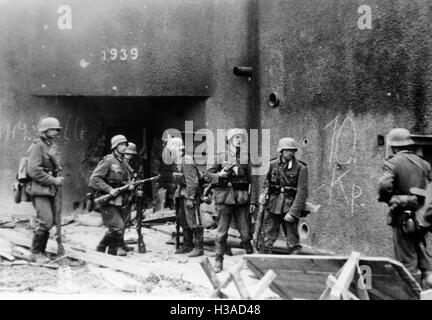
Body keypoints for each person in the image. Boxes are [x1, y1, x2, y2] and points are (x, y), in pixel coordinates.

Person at [378, 128, 432, 288]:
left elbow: (383, 186)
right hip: (422, 220)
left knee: (407, 264)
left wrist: (392, 199)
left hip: (403, 219)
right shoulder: (424, 163)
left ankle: (412, 294)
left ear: (394, 147)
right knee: (422, 259)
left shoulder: (392, 163)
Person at [204, 128, 258, 272]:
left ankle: (252, 262)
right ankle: (218, 259)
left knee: (245, 232)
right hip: (224, 198)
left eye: (240, 138)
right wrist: (220, 175)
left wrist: (253, 201)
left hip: (241, 199)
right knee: (222, 231)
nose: (239, 140)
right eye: (236, 138)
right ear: (229, 140)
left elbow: (252, 181)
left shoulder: (246, 157)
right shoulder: (220, 156)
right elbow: (207, 175)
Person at [261, 137, 308, 254]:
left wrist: (293, 212)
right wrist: (263, 195)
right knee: (267, 237)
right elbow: (266, 184)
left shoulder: (301, 168)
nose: (290, 153)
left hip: (289, 207)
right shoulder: (272, 164)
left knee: (293, 241)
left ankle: (294, 261)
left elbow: (302, 193)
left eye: (292, 150)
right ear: (281, 151)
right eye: (287, 150)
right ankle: (265, 259)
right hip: (273, 205)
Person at [27, 117, 64, 264]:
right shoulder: (38, 146)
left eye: (56, 129)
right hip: (39, 190)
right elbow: (33, 170)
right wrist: (53, 180)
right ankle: (35, 253)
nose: (55, 132)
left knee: (51, 221)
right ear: (45, 130)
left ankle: (41, 251)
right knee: (46, 222)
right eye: (52, 129)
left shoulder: (49, 145)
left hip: (49, 189)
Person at [89, 134, 133, 256]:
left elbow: (126, 178)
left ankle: (111, 254)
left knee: (118, 229)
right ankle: (100, 248)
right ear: (115, 147)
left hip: (120, 200)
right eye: (121, 145)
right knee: (117, 227)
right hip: (108, 200)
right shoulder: (108, 161)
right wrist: (109, 189)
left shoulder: (123, 162)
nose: (124, 147)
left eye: (125, 144)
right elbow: (95, 179)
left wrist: (130, 185)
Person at [169, 137, 204, 257]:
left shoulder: (186, 160)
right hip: (182, 195)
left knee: (193, 221)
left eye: (171, 150)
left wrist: (190, 198)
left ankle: (199, 248)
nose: (170, 153)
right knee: (184, 221)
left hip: (190, 196)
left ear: (177, 149)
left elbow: (192, 182)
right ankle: (187, 245)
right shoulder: (179, 160)